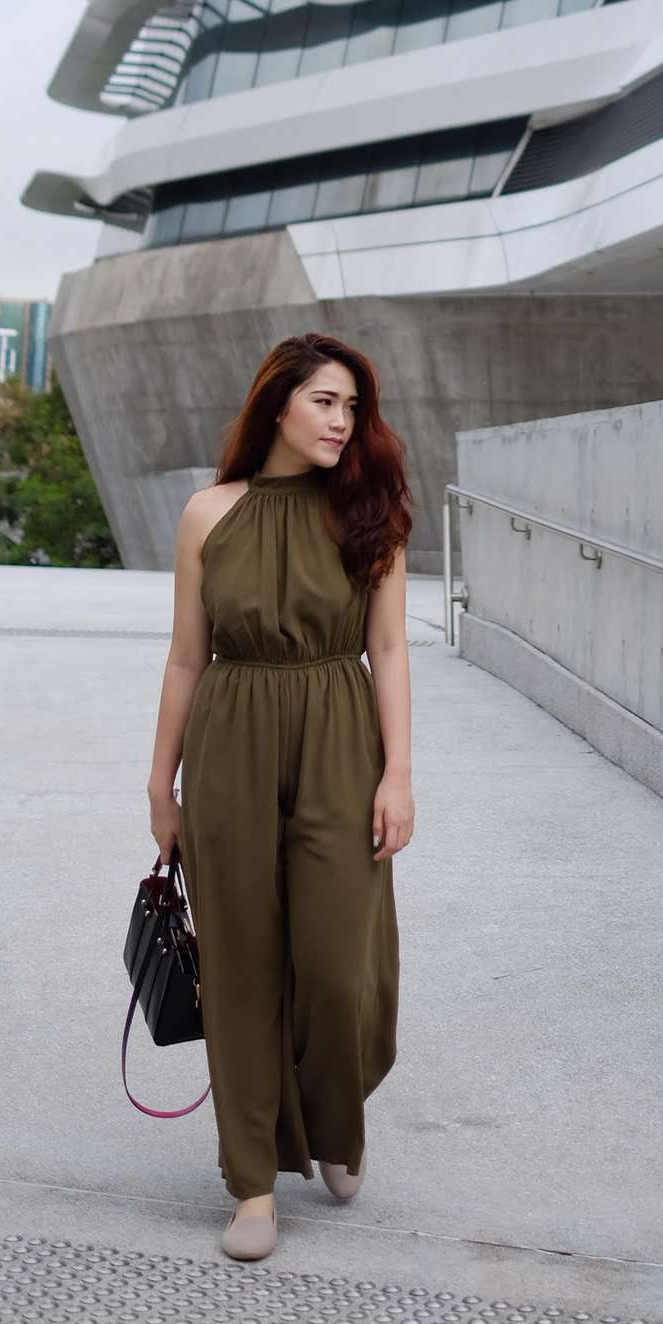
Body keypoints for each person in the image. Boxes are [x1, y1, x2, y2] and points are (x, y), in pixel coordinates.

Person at [145, 332, 415, 1262]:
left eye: (352, 407)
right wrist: (159, 782)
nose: (344, 422)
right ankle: (253, 1184)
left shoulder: (369, 513)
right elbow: (187, 656)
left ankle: (336, 1124)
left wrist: (401, 774)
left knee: (340, 965)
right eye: (326, 403)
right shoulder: (207, 514)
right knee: (244, 966)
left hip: (342, 736)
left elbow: (391, 650)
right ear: (277, 406)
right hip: (229, 743)